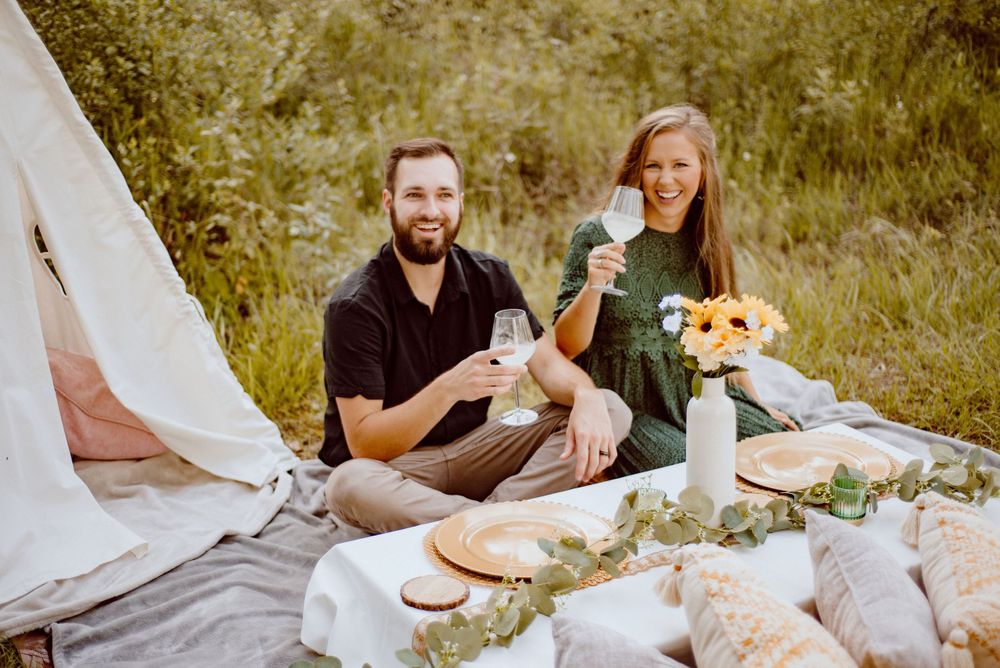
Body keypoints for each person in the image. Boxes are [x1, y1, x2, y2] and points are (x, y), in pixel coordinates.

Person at [320, 138, 631, 534]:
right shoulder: (355, 306)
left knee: (609, 406)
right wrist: (450, 387)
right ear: (389, 202)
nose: (431, 211)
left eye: (444, 195)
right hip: (399, 471)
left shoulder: (490, 276)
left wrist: (585, 396)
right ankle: (500, 518)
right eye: (414, 195)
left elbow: (550, 366)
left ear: (460, 203)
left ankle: (486, 518)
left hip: (478, 452)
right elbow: (366, 443)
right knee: (347, 485)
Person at [553, 104, 798, 477]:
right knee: (693, 471)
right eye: (653, 166)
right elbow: (565, 347)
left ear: (704, 169)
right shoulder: (597, 235)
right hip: (629, 408)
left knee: (785, 449)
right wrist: (593, 287)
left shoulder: (705, 240)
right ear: (637, 170)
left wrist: (757, 405)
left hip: (700, 394)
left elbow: (724, 337)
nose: (665, 180)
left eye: (680, 165)